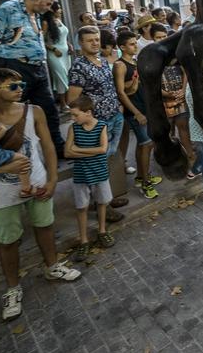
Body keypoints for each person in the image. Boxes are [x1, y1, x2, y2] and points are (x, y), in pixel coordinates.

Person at [0, 67, 80, 321]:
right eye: (13, 86)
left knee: (45, 226)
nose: (20, 89)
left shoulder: (33, 111)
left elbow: (47, 146)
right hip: (0, 191)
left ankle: (52, 266)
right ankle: (13, 288)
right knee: (7, 240)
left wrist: (53, 178)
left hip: (37, 181)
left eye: (21, 84)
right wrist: (5, 167)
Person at [0, 0, 65, 155]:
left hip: (37, 69)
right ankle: (8, 151)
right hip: (13, 66)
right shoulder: (9, 9)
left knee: (48, 109)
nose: (49, 8)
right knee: (10, 110)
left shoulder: (36, 15)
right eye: (48, 3)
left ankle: (57, 147)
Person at [67, 26, 127, 221]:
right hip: (98, 123)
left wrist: (118, 106)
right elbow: (72, 100)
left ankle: (105, 198)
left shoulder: (102, 60)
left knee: (107, 159)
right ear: (81, 43)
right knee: (98, 163)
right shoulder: (79, 66)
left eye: (96, 39)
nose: (95, 42)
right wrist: (89, 120)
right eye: (90, 40)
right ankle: (103, 205)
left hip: (114, 116)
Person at [64, 95, 114, 262]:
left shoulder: (101, 126)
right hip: (81, 174)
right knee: (81, 207)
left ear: (88, 113)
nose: (72, 118)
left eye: (75, 115)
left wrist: (78, 150)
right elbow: (67, 152)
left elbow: (103, 149)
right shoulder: (73, 128)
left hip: (99, 172)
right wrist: (92, 150)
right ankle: (83, 239)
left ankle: (102, 230)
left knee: (101, 203)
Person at [113, 31, 159, 195]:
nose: (135, 46)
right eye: (131, 44)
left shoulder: (134, 60)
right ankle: (146, 184)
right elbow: (120, 92)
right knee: (146, 145)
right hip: (134, 111)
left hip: (144, 107)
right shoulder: (120, 65)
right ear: (122, 47)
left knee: (145, 144)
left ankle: (142, 176)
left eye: (135, 43)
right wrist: (137, 113)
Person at [42, 2, 73, 111]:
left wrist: (69, 45)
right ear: (52, 10)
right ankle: (63, 104)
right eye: (59, 8)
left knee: (67, 77)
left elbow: (63, 37)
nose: (61, 10)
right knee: (61, 78)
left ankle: (69, 102)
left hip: (65, 54)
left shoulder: (59, 20)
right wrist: (54, 49)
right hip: (54, 54)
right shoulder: (46, 23)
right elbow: (41, 41)